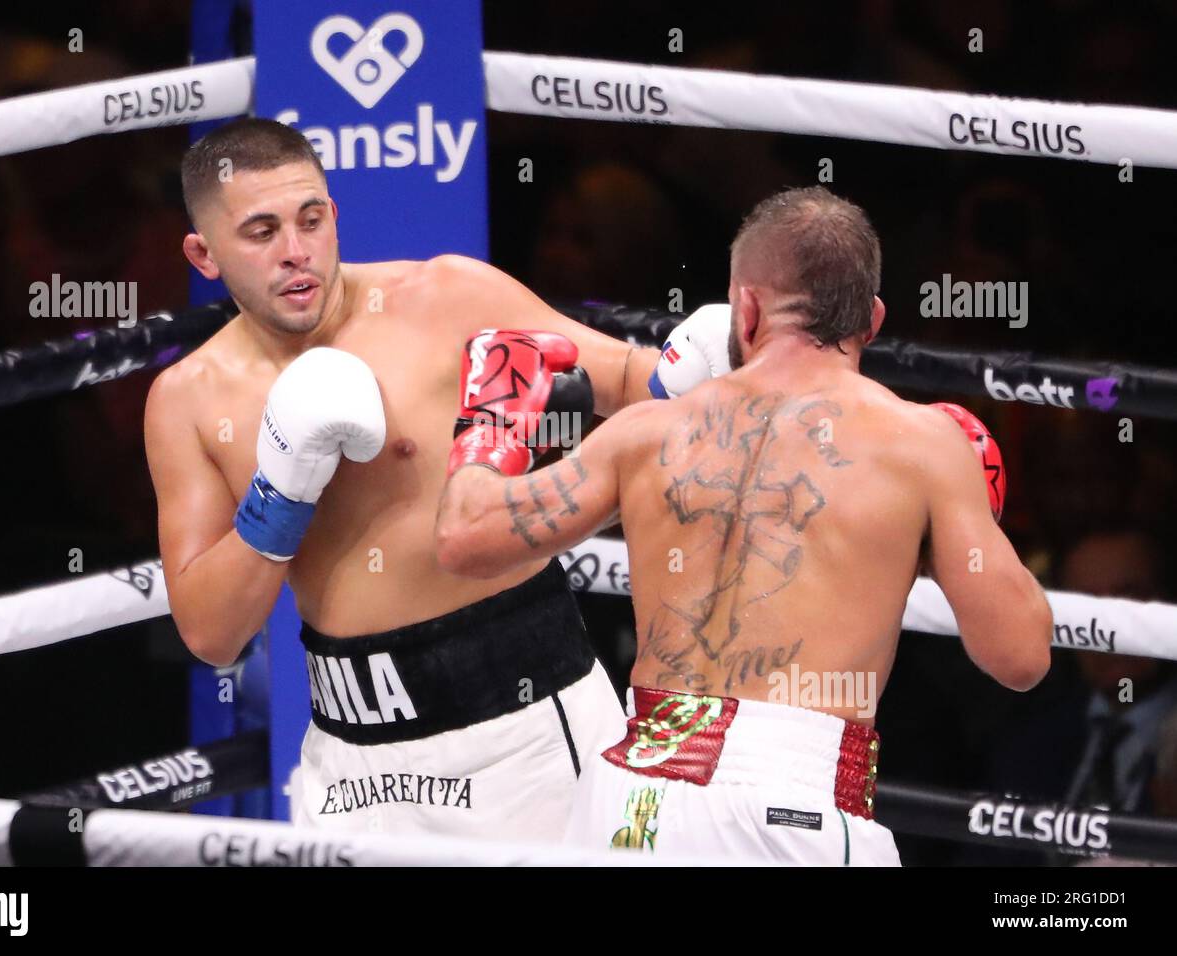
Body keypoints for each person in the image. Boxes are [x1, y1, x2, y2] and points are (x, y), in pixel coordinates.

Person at [435, 185, 1053, 863]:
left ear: (747, 307)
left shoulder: (650, 430)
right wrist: (953, 516)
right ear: (871, 320)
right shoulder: (922, 445)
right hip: (793, 807)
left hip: (632, 802)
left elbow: (467, 537)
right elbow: (1021, 658)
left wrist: (489, 428)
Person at [144, 116, 710, 842]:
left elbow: (628, 379)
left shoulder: (447, 298)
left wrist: (703, 365)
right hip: (350, 757)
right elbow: (211, 633)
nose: (296, 252)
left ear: (334, 216)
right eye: (261, 232)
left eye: (311, 220)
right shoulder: (188, 399)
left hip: (524, 732)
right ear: (204, 254)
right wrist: (281, 491)